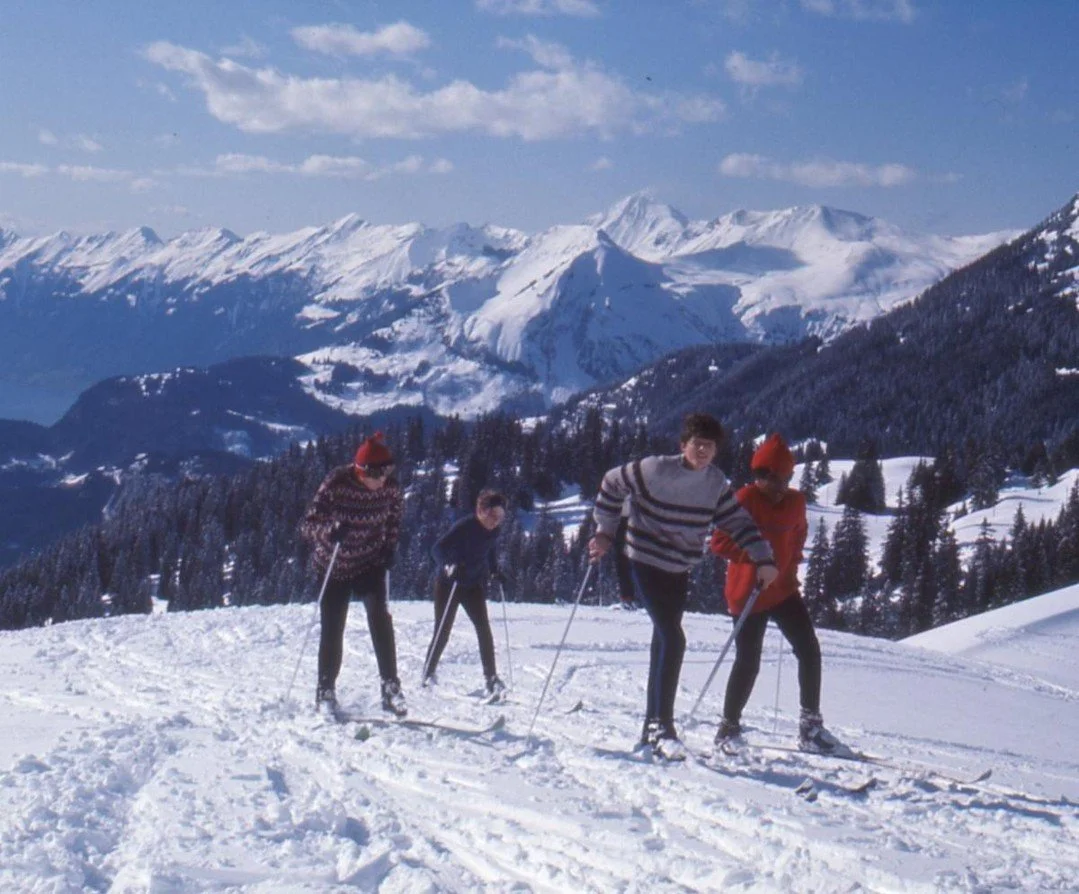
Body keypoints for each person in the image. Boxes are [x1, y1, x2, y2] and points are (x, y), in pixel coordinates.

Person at [589, 412, 778, 759]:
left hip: (678, 569)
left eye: (710, 446)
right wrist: (605, 530)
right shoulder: (655, 469)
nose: (704, 451)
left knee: (663, 640)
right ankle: (664, 727)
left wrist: (763, 558)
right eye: (698, 445)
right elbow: (612, 482)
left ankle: (650, 729)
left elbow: (736, 521)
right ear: (683, 445)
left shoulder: (714, 483)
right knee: (674, 638)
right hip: (643, 561)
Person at [710, 432, 838, 753]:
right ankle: (728, 728)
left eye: (784, 480)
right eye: (770, 480)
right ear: (758, 476)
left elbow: (797, 538)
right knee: (748, 661)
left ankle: (810, 727)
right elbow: (719, 543)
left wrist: (789, 570)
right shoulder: (744, 499)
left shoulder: (796, 502)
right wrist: (755, 560)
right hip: (747, 592)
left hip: (782, 590)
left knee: (809, 650)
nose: (778, 488)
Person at [300, 432, 406, 718]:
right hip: (333, 565)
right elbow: (308, 525)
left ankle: (390, 688)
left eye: (387, 473)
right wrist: (329, 531)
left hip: (369, 562)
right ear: (362, 471)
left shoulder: (390, 488)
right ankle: (325, 691)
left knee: (380, 619)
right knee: (333, 628)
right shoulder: (337, 482)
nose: (382, 481)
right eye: (377, 475)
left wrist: (388, 547)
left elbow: (395, 517)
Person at [422, 489, 508, 700]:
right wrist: (450, 565)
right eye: (493, 515)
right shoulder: (465, 526)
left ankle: (491, 678)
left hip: (472, 585)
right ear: (481, 510)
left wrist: (495, 569)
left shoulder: (493, 531)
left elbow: (489, 549)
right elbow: (437, 549)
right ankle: (428, 672)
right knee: (443, 630)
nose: (496, 521)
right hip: (449, 584)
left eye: (500, 516)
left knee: (483, 629)